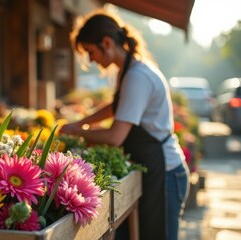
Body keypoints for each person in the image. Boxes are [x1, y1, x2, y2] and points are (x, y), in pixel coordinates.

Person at [59, 9, 190, 240]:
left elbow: (114, 137)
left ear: (107, 43)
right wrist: (79, 123)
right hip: (155, 168)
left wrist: (79, 131)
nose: (91, 60)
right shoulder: (129, 71)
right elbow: (115, 106)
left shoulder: (138, 76)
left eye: (90, 52)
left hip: (166, 173)